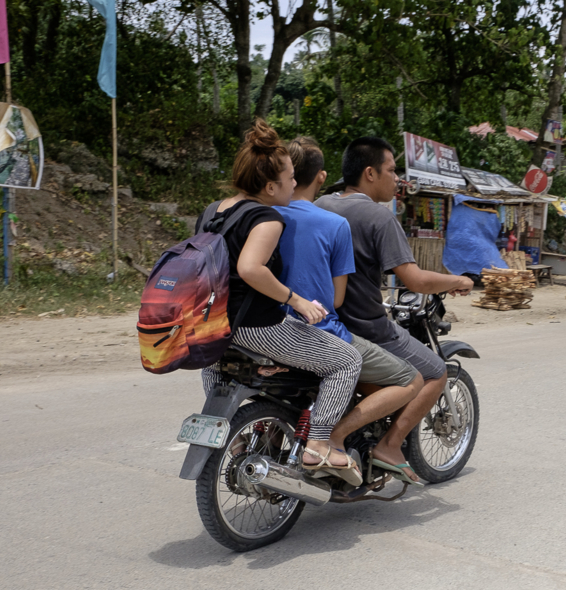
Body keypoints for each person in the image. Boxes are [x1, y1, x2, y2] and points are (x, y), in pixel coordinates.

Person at [200, 120, 363, 486]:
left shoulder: (213, 210)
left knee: (215, 366)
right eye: (289, 178)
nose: (294, 184)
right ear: (270, 185)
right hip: (257, 326)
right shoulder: (266, 217)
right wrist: (298, 301)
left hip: (213, 324)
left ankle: (232, 434)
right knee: (347, 360)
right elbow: (250, 268)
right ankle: (319, 444)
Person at [315, 137, 473, 483]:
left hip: (319, 322)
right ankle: (389, 444)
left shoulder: (321, 203)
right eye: (391, 170)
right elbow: (414, 280)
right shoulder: (378, 217)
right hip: (365, 327)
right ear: (370, 173)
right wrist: (456, 280)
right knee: (434, 372)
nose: (397, 178)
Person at [275, 137, 423, 479]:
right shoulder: (335, 223)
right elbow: (335, 300)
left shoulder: (262, 213)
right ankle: (329, 440)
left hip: (263, 324)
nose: (397, 177)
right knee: (411, 379)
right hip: (317, 329)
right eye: (392, 170)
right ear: (320, 177)